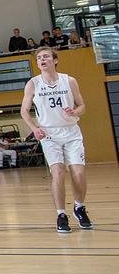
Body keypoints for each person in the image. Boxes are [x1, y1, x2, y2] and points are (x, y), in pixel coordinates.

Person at [21, 47, 93, 234]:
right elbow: (24, 110)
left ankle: (79, 207)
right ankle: (61, 214)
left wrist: (75, 112)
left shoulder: (69, 80)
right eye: (38, 58)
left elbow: (82, 106)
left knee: (78, 172)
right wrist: (34, 129)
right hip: (49, 134)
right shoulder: (33, 84)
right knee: (58, 172)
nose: (42, 60)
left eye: (45, 56)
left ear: (55, 60)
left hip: (71, 131)